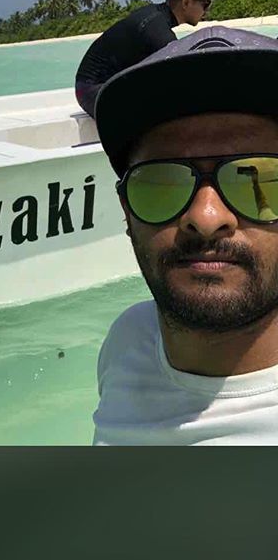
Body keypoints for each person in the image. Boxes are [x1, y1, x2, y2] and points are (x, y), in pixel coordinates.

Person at [92, 26, 278, 445]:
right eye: (162, 184)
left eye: (258, 180)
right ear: (126, 212)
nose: (206, 217)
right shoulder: (130, 339)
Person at [75, 0, 226, 118]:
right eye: (206, 4)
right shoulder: (157, 29)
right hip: (94, 90)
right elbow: (186, 73)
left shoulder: (155, 17)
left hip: (104, 86)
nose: (207, 11)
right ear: (186, 2)